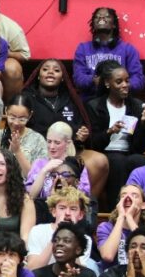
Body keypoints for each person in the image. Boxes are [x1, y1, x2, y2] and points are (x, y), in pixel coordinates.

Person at [22, 58, 106, 198]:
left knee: (100, 160)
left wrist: (81, 136)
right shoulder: (27, 97)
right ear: (38, 75)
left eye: (56, 70)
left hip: (69, 151)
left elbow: (80, 127)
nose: (50, 72)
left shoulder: (71, 99)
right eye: (45, 69)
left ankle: (88, 206)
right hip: (38, 149)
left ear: (62, 78)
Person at [86, 60, 145, 211]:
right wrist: (109, 132)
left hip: (129, 152)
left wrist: (144, 124)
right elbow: (91, 143)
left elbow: (141, 147)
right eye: (119, 81)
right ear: (108, 84)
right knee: (117, 161)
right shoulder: (95, 106)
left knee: (141, 160)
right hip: (104, 153)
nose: (125, 85)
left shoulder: (136, 106)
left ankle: (144, 210)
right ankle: (116, 210)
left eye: (127, 81)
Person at [72, 7, 145, 98]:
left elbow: (138, 79)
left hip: (120, 101)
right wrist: (94, 80)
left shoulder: (128, 49)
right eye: (97, 17)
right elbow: (78, 78)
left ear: (114, 25)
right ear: (93, 24)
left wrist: (119, 84)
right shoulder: (83, 48)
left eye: (107, 16)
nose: (101, 18)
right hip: (90, 103)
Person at [24, 187, 94, 271]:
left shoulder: (85, 239)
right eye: (62, 208)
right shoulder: (38, 231)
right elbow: (32, 268)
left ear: (81, 215)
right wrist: (56, 236)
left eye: (73, 209)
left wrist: (74, 235)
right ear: (54, 212)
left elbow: (79, 274)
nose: (67, 213)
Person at [97, 184, 145, 273]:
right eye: (123, 196)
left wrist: (129, 217)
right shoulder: (105, 227)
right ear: (118, 204)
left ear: (143, 205)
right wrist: (121, 217)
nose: (128, 198)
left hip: (141, 276)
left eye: (134, 195)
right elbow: (108, 256)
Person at [24, 123, 92, 204]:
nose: (52, 146)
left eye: (57, 142)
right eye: (49, 141)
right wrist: (44, 171)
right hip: (40, 210)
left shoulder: (77, 164)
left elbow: (84, 196)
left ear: (68, 143)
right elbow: (30, 197)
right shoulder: (39, 163)